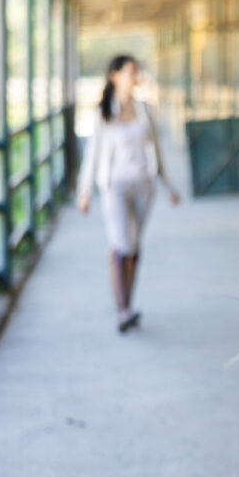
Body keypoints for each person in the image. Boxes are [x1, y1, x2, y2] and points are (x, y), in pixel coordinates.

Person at [77, 55, 180, 332]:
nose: (136, 76)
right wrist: (84, 191)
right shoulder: (103, 112)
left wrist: (168, 185)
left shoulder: (145, 109)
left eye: (137, 71)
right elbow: (92, 154)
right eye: (131, 71)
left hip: (144, 186)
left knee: (133, 245)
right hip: (115, 186)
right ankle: (123, 311)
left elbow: (157, 149)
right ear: (115, 76)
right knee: (121, 243)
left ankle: (128, 305)